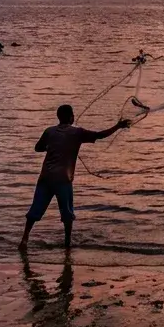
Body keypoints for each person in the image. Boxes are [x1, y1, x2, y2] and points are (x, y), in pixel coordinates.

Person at [20, 104, 130, 250]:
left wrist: (51, 147)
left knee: (35, 209)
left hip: (45, 177)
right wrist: (118, 126)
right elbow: (100, 135)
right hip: (63, 179)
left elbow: (38, 148)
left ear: (59, 117)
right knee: (67, 213)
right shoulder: (77, 133)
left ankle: (24, 239)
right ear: (71, 117)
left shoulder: (49, 131)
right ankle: (67, 243)